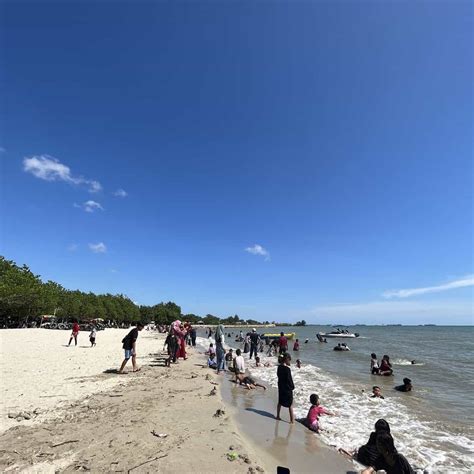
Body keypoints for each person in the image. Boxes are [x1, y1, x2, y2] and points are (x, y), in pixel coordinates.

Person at [276, 353, 295, 423]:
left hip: (281, 386)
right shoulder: (287, 369)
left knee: (280, 402)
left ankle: (277, 416)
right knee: (290, 404)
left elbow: (278, 376)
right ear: (286, 360)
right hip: (287, 388)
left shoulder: (279, 367)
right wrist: (292, 387)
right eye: (289, 360)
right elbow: (289, 380)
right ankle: (292, 420)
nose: (289, 362)